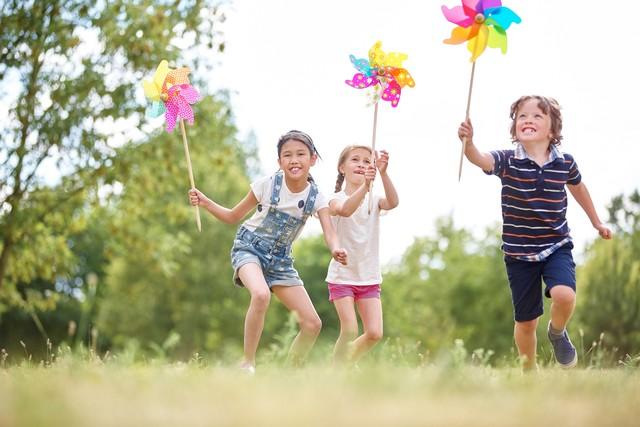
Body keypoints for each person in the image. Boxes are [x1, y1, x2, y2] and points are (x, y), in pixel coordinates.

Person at [457, 95, 612, 370]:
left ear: (552, 130)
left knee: (565, 295)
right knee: (526, 322)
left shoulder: (565, 162)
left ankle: (557, 332)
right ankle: (529, 371)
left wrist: (596, 222)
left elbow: (578, 189)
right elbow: (479, 159)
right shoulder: (507, 160)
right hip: (518, 252)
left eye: (537, 116)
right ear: (515, 127)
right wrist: (469, 142)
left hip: (556, 244)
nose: (527, 120)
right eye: (521, 116)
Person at [189, 130, 348, 374]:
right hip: (249, 248)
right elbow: (233, 216)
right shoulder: (267, 184)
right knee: (261, 294)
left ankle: (287, 375)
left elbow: (329, 232)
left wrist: (336, 248)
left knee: (312, 323)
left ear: (313, 158)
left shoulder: (316, 197)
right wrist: (205, 201)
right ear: (279, 162)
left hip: (281, 261)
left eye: (300, 154)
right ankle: (247, 363)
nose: (294, 160)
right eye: (287, 155)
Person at [325, 145, 399, 364]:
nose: (361, 164)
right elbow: (345, 210)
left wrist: (383, 174)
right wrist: (365, 187)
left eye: (367, 161)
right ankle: (335, 371)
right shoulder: (333, 198)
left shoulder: (374, 199)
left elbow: (393, 202)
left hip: (368, 276)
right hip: (342, 276)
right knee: (349, 330)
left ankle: (342, 364)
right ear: (342, 168)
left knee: (374, 333)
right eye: (355, 160)